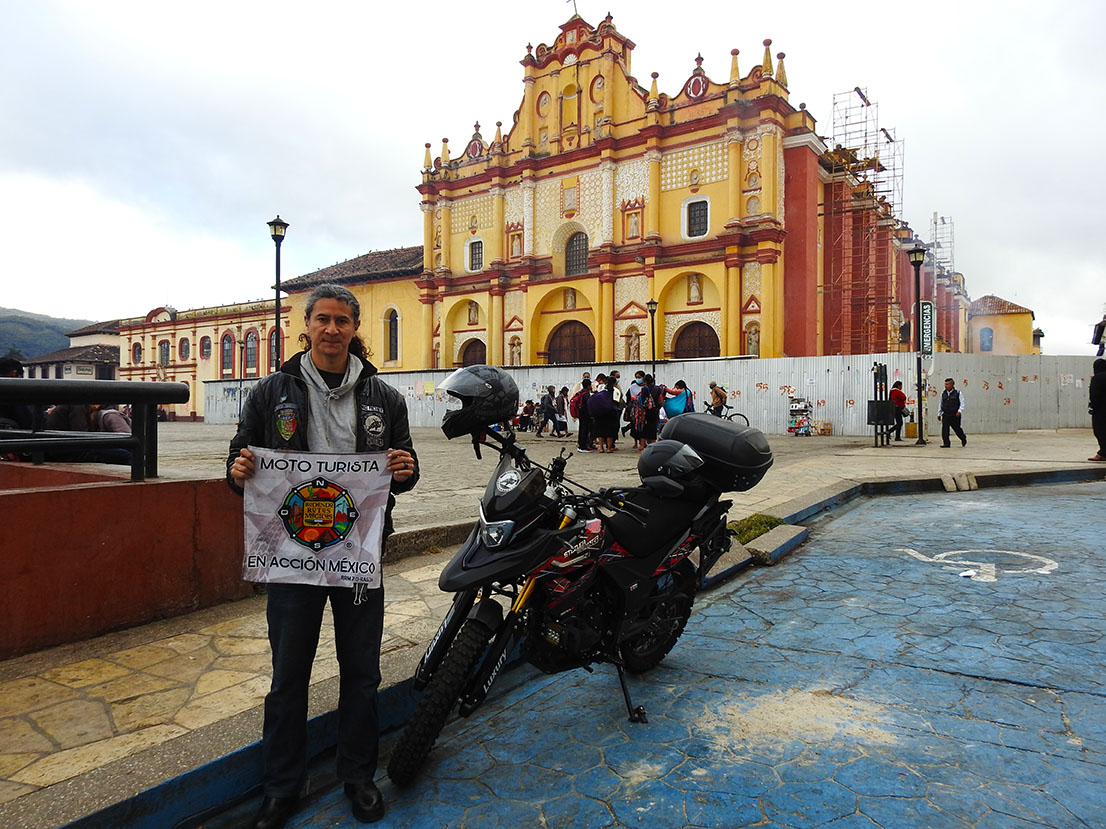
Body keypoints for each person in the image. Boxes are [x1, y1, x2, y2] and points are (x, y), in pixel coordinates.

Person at [227, 284, 417, 828]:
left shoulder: (386, 398)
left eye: (343, 321)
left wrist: (404, 469)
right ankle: (282, 787)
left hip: (358, 557)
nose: (332, 330)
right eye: (323, 320)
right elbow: (241, 458)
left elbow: (404, 471)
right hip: (292, 559)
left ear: (356, 329)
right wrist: (236, 473)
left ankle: (358, 777)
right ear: (305, 326)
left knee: (362, 673)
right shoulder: (271, 392)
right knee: (288, 676)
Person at [938, 377, 967, 448]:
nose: (946, 386)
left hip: (955, 414)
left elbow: (962, 403)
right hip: (946, 414)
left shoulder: (958, 393)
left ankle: (963, 438)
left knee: (957, 429)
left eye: (948, 384)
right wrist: (939, 413)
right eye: (945, 384)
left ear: (952, 385)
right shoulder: (943, 394)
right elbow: (940, 404)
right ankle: (946, 443)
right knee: (945, 430)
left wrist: (959, 411)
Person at [1089, 358, 1106, 461]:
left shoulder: (1098, 378)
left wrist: (1092, 407)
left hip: (1101, 411)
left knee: (1100, 431)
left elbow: (1094, 395)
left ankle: (1103, 453)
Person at [572, 378, 593, 452]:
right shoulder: (586, 394)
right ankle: (583, 447)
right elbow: (589, 405)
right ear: (588, 386)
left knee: (581, 430)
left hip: (580, 414)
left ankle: (580, 445)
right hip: (586, 415)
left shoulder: (580, 392)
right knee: (585, 431)